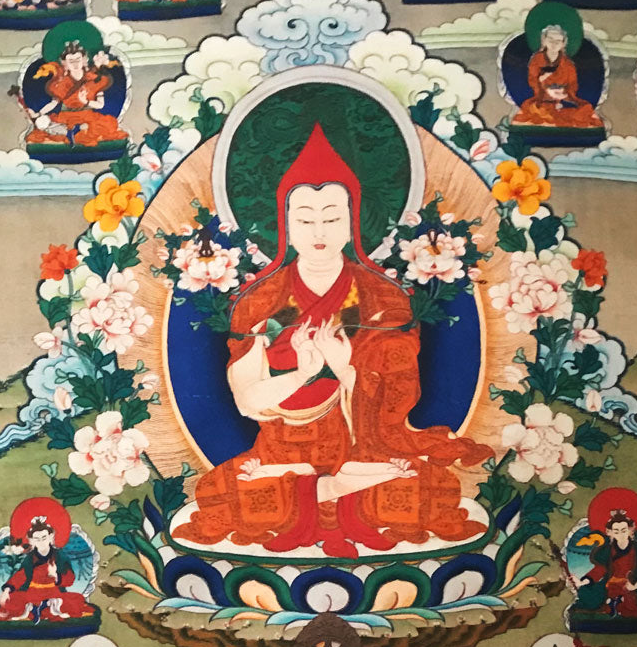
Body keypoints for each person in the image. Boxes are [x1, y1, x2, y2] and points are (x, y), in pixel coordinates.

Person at [172, 124, 491, 558]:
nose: (318, 231)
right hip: (282, 449)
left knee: (424, 487)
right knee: (220, 491)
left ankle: (320, 489)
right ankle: (327, 489)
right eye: (305, 219)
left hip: (366, 447)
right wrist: (302, 374)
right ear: (286, 225)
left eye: (332, 218)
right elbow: (247, 402)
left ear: (352, 223)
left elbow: (400, 392)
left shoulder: (384, 299)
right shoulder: (260, 302)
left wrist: (346, 369)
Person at [0, 515, 95, 623]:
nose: (41, 542)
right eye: (37, 539)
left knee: (77, 600)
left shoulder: (59, 556)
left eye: (44, 538)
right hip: (32, 593)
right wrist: (7, 590)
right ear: (31, 541)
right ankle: (39, 609)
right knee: (11, 600)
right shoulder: (30, 558)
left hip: (53, 592)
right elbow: (20, 576)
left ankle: (41, 609)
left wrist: (55, 575)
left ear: (51, 537)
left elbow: (70, 579)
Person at [29, 42, 127, 149]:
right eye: (71, 61)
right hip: (65, 118)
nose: (75, 64)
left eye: (78, 60)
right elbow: (53, 103)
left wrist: (86, 102)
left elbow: (100, 105)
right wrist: (39, 113)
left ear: (84, 60)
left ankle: (76, 131)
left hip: (86, 116)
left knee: (101, 126)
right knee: (42, 124)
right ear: (65, 64)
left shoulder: (95, 80)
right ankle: (69, 132)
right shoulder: (60, 83)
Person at [512, 24, 602, 130]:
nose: (554, 44)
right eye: (550, 39)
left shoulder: (568, 64)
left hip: (563, 97)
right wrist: (542, 82)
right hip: (543, 98)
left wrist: (563, 95)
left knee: (585, 108)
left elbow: (572, 84)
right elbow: (532, 81)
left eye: (558, 41)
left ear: (563, 44)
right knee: (533, 109)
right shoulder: (537, 60)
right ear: (544, 40)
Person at [578, 509, 637, 620]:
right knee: (587, 595)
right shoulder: (607, 550)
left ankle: (615, 602)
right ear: (609, 532)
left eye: (624, 531)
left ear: (631, 530)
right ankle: (613, 601)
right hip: (609, 584)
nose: (621, 535)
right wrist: (582, 582)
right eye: (616, 532)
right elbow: (599, 570)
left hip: (631, 583)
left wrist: (634, 586)